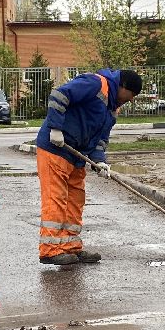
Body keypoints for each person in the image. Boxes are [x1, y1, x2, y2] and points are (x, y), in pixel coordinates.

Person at [34, 67, 141, 265]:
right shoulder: (95, 83)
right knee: (56, 198)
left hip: (77, 156)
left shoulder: (112, 109)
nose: (131, 99)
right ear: (123, 86)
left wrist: (100, 160)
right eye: (132, 94)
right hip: (55, 148)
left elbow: (101, 139)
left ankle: (70, 247)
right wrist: (56, 128)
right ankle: (49, 250)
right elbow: (59, 95)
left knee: (75, 200)